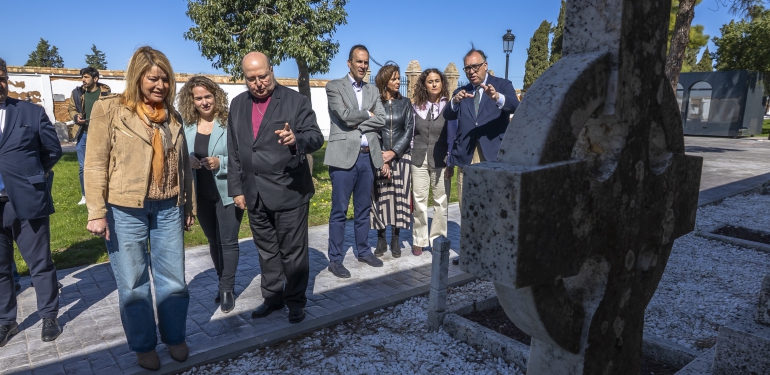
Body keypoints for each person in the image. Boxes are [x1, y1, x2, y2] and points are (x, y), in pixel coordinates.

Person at [84, 46, 195, 371]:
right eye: (153, 78)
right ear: (137, 77)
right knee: (133, 282)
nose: (160, 85)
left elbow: (183, 166)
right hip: (124, 210)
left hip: (168, 207)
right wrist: (96, 211)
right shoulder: (110, 110)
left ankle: (175, 337)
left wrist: (188, 203)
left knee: (174, 278)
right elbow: (94, 164)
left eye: (165, 79)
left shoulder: (171, 115)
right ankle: (144, 344)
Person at [228, 52, 323, 324]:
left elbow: (315, 137)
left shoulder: (295, 101)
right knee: (266, 250)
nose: (258, 83)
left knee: (293, 252)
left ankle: (295, 301)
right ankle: (272, 298)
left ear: (272, 70)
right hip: (254, 191)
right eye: (251, 78)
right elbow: (234, 150)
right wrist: (236, 189)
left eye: (263, 76)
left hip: (288, 189)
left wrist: (296, 141)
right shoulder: (237, 104)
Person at [0, 57, 63, 347]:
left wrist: (34, 175)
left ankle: (49, 316)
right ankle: (6, 321)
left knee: (40, 262)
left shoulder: (30, 111)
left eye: (1, 77)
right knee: (1, 268)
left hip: (26, 199)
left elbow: (52, 150)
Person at [444, 47, 519, 265]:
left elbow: (516, 105)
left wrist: (497, 97)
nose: (471, 71)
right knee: (467, 205)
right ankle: (470, 252)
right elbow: (447, 114)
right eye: (467, 68)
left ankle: (495, 251)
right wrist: (455, 101)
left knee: (495, 203)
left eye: (475, 66)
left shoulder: (502, 85)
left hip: (493, 155)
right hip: (467, 154)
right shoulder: (463, 91)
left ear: (485, 66)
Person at [179, 76, 243, 314]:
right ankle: (221, 280)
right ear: (191, 100)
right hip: (200, 193)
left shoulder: (229, 123)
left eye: (208, 96)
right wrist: (189, 161)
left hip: (227, 191)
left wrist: (221, 162)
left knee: (228, 240)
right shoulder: (186, 126)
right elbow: (178, 157)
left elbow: (241, 157)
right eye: (198, 98)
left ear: (216, 96)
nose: (204, 102)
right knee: (213, 241)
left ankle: (227, 289)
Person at [324, 45, 386, 278]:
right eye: (358, 61)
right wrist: (366, 116)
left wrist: (359, 120)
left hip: (367, 157)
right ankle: (336, 259)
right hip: (342, 158)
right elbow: (343, 115)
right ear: (349, 63)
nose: (363, 66)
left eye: (366, 62)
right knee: (339, 210)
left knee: (363, 210)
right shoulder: (334, 86)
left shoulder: (373, 91)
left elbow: (380, 119)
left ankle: (363, 251)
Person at [411, 69, 456, 256]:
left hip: (441, 161)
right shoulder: (416, 107)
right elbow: (411, 133)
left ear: (442, 84)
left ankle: (438, 239)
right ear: (424, 84)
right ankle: (419, 239)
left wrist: (450, 161)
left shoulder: (450, 107)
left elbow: (453, 135)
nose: (434, 84)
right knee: (419, 200)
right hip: (419, 159)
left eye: (437, 81)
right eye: (430, 81)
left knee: (441, 201)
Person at [370, 63, 414, 258]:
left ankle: (396, 238)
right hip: (379, 157)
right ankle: (381, 239)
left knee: (399, 198)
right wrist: (382, 157)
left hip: (401, 157)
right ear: (384, 81)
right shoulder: (375, 103)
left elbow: (408, 130)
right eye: (394, 78)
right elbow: (373, 131)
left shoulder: (405, 103)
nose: (397, 82)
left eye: (398, 78)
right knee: (380, 198)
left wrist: (394, 152)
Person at [67, 67, 111, 205]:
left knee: (103, 165)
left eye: (86, 77)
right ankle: (85, 195)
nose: (83, 80)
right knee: (83, 167)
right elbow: (71, 109)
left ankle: (104, 193)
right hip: (83, 134)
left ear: (95, 79)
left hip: (101, 135)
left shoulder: (105, 93)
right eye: (82, 77)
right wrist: (75, 117)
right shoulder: (77, 93)